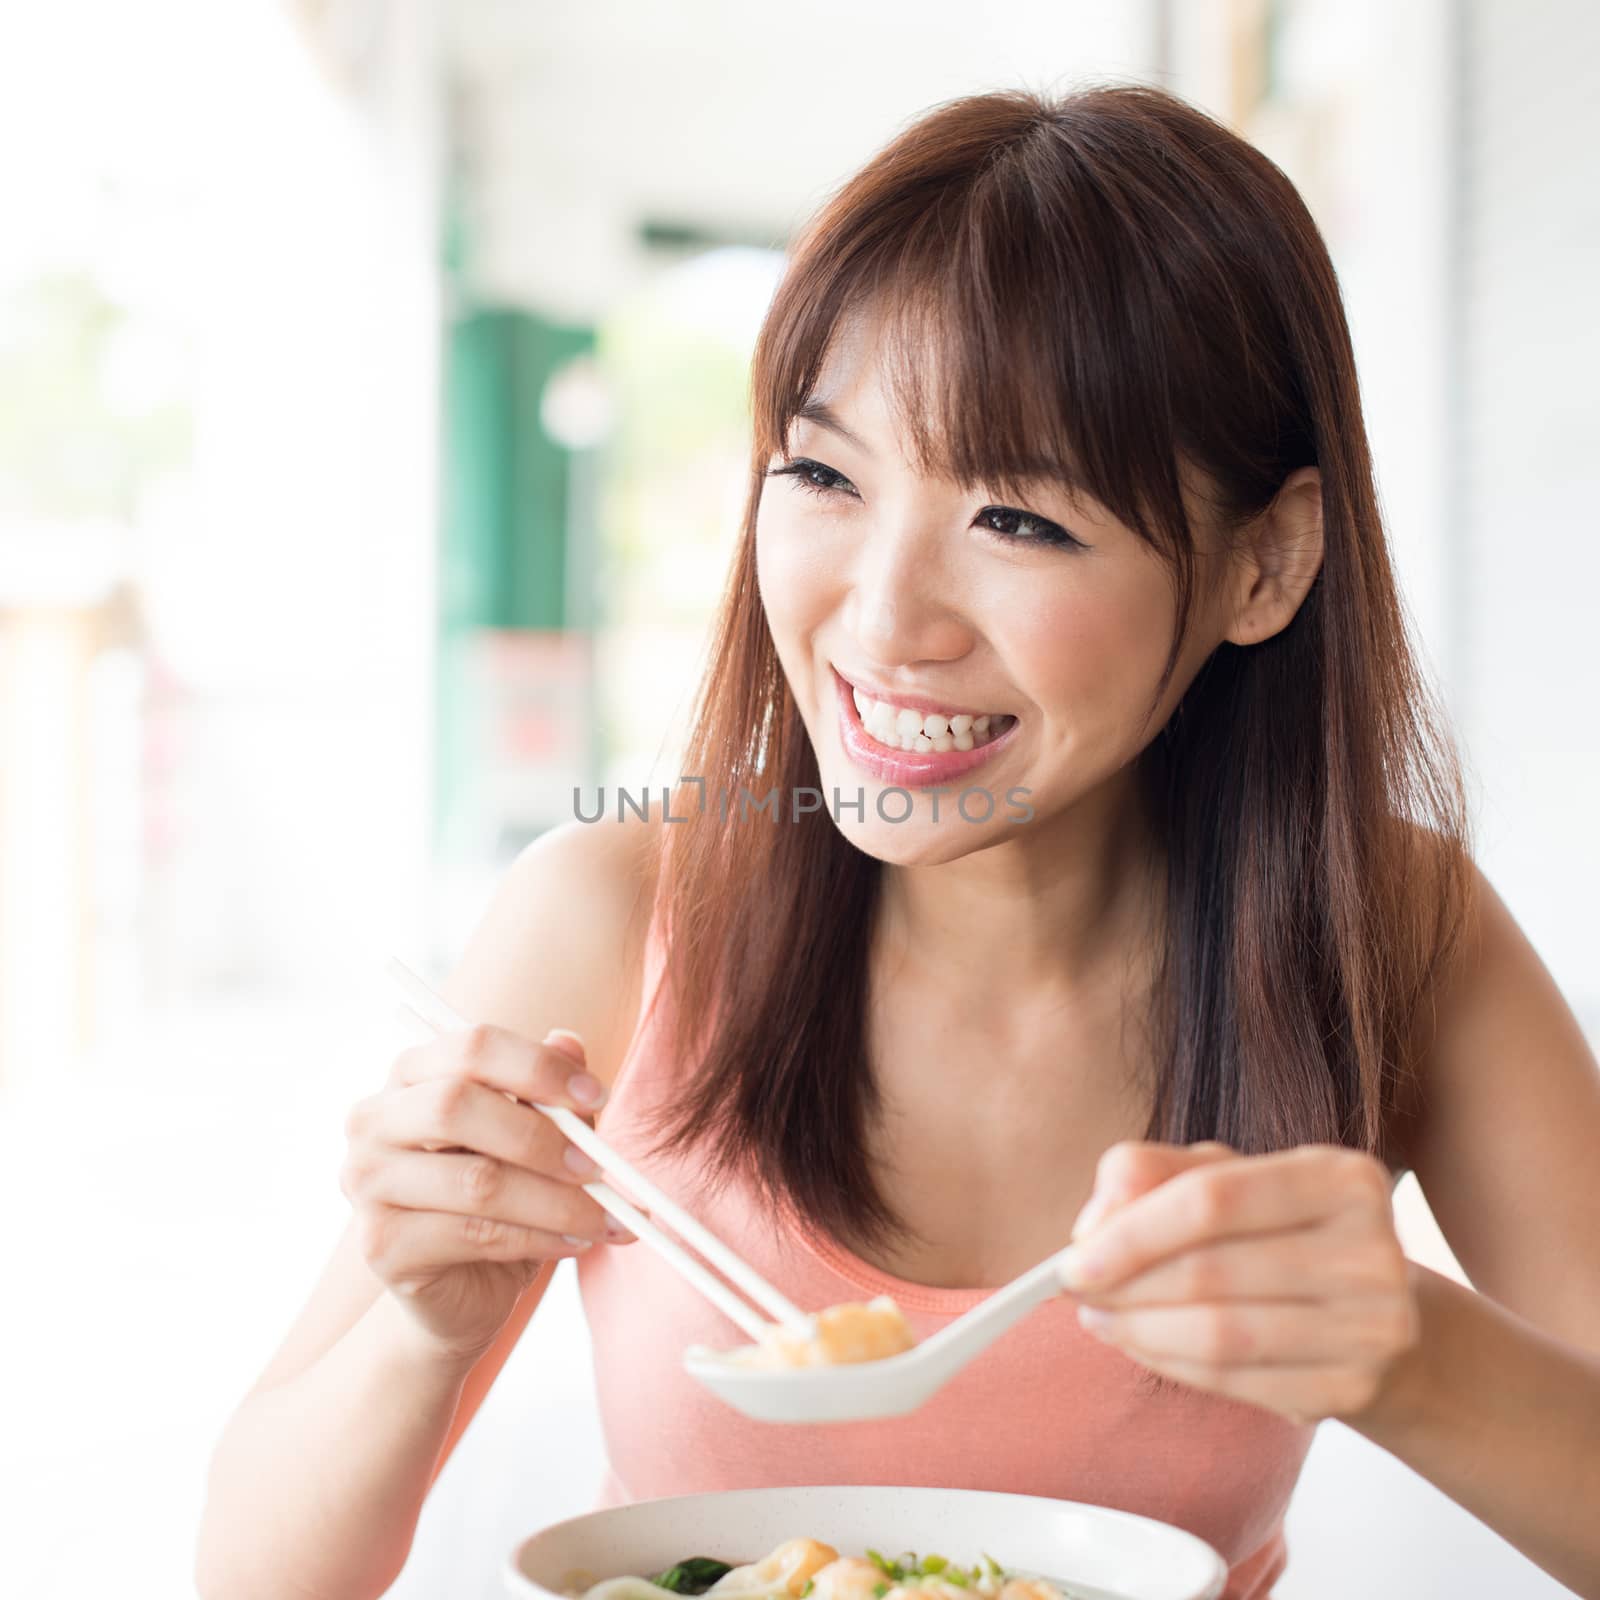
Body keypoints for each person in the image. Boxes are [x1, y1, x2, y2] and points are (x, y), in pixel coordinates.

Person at [195, 83, 1600, 1600]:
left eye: (1018, 520)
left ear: (1264, 563)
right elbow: (253, 1577)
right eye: (823, 475)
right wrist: (426, 1330)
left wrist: (1413, 1352)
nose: (879, 623)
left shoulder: (1387, 930)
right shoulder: (610, 919)